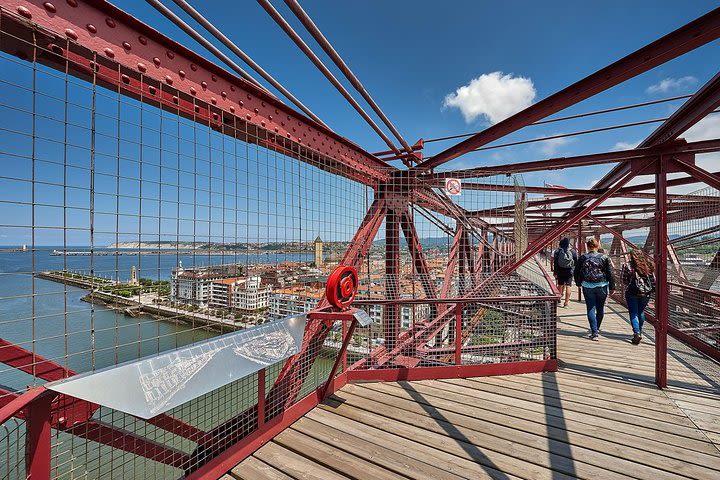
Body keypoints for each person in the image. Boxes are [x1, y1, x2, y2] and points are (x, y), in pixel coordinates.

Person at [574, 238, 615, 341]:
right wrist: (612, 287)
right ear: (597, 246)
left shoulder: (583, 257)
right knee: (600, 309)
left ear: (587, 247)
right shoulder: (604, 257)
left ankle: (594, 332)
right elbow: (611, 273)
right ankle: (597, 328)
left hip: (587, 286)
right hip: (602, 286)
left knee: (590, 309)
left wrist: (578, 283)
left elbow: (576, 272)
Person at [621, 249, 656, 344]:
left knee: (633, 313)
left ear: (631, 256)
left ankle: (636, 333)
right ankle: (640, 331)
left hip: (632, 292)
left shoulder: (627, 265)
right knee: (641, 312)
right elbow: (653, 280)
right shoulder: (649, 265)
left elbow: (624, 280)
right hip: (646, 293)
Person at [553, 237, 577, 308]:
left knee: (560, 285)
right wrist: (573, 270)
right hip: (569, 271)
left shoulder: (557, 251)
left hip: (560, 271)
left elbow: (556, 263)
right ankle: (566, 303)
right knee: (568, 286)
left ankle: (559, 299)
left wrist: (555, 272)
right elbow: (576, 262)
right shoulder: (573, 251)